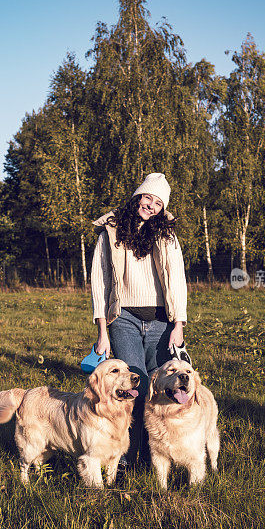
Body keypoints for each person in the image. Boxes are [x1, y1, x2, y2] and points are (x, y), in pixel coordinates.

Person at [90, 172, 188, 464]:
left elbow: (178, 280)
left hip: (161, 323)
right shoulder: (110, 231)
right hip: (124, 320)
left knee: (160, 390)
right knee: (131, 387)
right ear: (138, 196)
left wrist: (178, 324)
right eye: (148, 197)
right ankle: (124, 459)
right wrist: (102, 330)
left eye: (159, 203)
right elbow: (100, 281)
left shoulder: (166, 235)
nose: (152, 206)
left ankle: (155, 457)